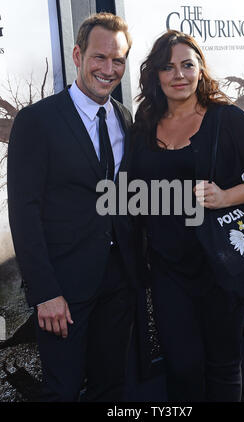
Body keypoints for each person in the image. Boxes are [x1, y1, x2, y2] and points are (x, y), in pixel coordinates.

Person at [131, 30, 244, 402]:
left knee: (223, 363)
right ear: (155, 74)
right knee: (181, 365)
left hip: (222, 262)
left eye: (187, 65)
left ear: (201, 69)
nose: (178, 75)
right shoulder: (145, 122)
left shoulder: (227, 119)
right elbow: (135, 187)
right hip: (169, 265)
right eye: (167, 67)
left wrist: (226, 195)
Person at [7, 12, 137, 402]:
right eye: (100, 57)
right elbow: (24, 212)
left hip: (119, 283)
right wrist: (45, 292)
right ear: (78, 55)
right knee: (61, 391)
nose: (108, 69)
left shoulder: (125, 119)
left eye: (118, 61)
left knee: (110, 387)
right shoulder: (37, 120)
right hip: (62, 291)